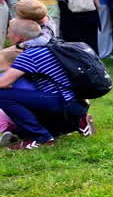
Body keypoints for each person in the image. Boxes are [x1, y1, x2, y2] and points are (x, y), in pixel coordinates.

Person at [0, 18, 93, 150]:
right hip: (78, 102)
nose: (8, 35)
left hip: (63, 104)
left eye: (9, 32)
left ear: (18, 37)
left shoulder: (30, 55)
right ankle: (78, 122)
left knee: (2, 94)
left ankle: (42, 138)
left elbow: (3, 83)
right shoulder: (49, 45)